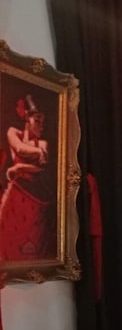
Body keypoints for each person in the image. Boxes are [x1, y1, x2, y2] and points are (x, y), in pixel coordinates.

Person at [0, 95, 56, 260]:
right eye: (37, 120)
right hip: (17, 194)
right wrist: (39, 153)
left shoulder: (43, 143)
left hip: (35, 200)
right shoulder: (13, 132)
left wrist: (19, 167)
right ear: (27, 117)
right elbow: (19, 149)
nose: (41, 125)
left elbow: (39, 168)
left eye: (43, 122)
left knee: (32, 243)